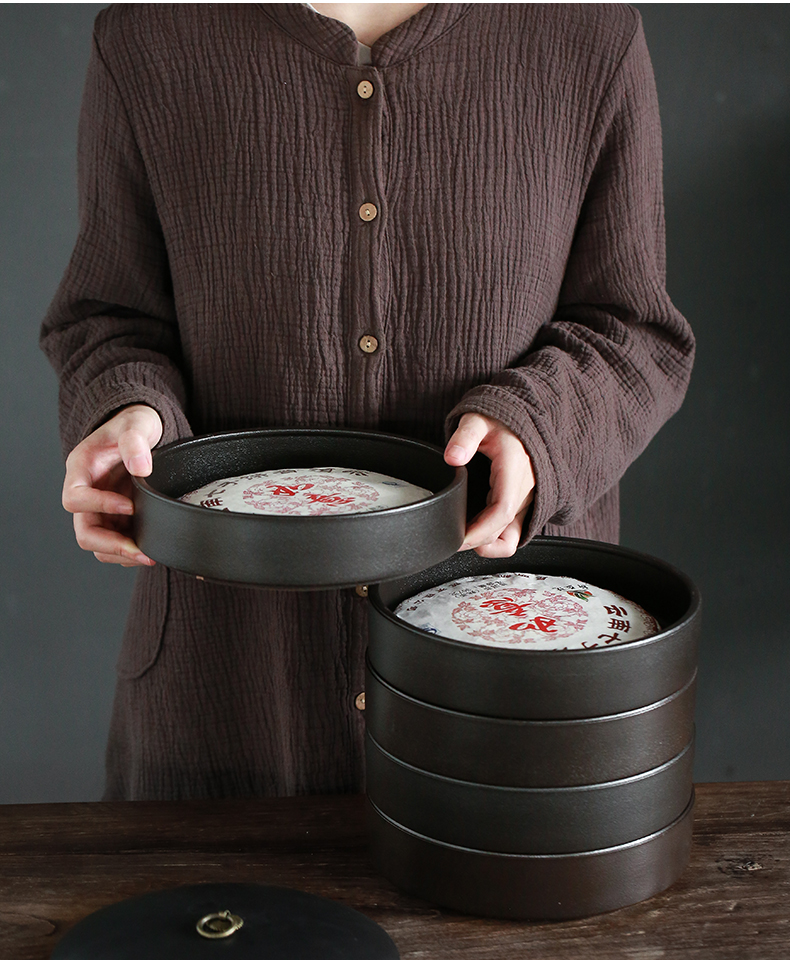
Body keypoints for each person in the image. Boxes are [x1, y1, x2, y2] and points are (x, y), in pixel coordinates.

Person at [41, 3, 695, 800]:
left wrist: (534, 425)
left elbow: (635, 327)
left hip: (512, 724)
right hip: (228, 702)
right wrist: (129, 414)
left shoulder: (587, 34)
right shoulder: (148, 38)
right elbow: (109, 318)